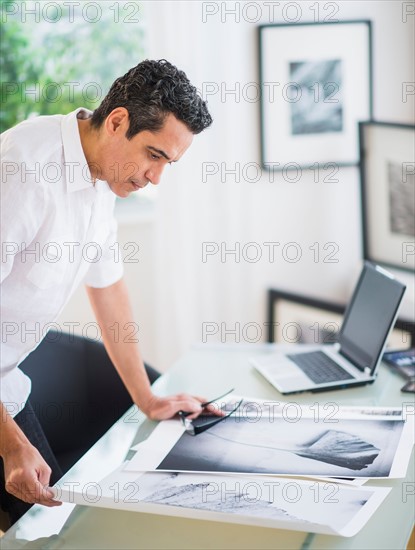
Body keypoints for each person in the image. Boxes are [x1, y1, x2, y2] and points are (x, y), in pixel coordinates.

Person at [0, 59, 214, 525]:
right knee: (42, 528)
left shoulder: (101, 175)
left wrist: (147, 397)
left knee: (51, 526)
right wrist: (11, 443)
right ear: (117, 121)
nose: (156, 177)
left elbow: (109, 289)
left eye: (168, 164)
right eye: (154, 155)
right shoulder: (22, 169)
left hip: (6, 385)